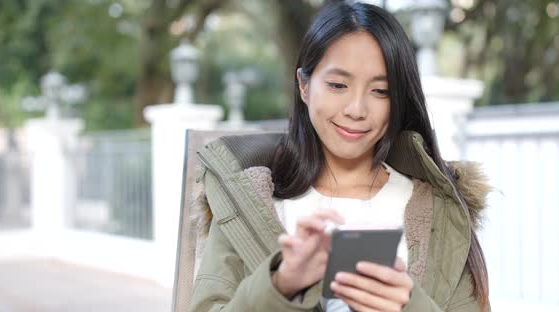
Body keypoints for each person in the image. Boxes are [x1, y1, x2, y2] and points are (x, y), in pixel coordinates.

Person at [189, 2, 491, 311]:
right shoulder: (249, 199)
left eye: (381, 91)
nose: (356, 109)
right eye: (337, 85)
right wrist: (280, 284)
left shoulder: (439, 209)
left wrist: (410, 306)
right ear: (304, 85)